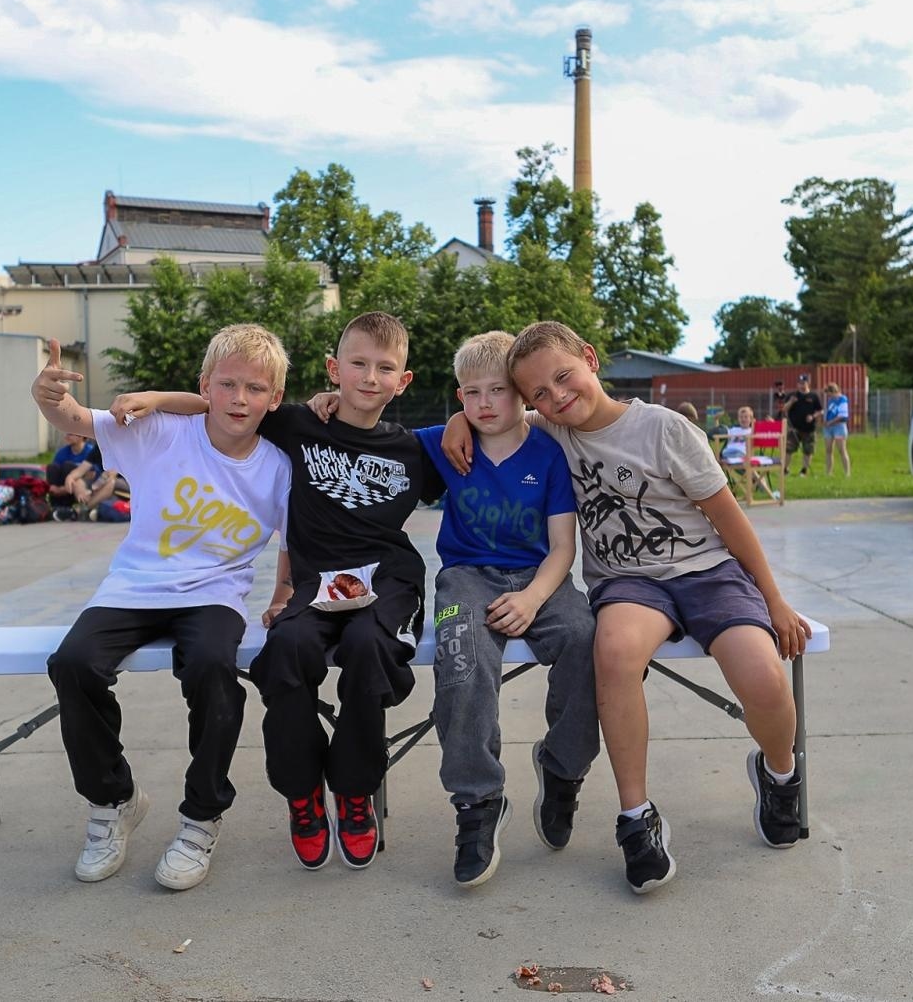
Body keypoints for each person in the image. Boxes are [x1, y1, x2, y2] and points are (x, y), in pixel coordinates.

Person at [443, 321, 811, 895]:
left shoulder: (664, 429)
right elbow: (494, 410)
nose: (557, 397)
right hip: (629, 582)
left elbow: (730, 519)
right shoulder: (551, 431)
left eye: (564, 378)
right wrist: (457, 417)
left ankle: (780, 772)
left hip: (708, 572)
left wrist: (775, 599)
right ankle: (636, 818)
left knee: (762, 672)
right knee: (610, 651)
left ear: (590, 359)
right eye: (540, 393)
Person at [115, 312, 445, 873]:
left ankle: (355, 792)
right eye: (358, 365)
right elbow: (225, 405)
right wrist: (153, 396)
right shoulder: (296, 424)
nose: (369, 378)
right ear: (333, 369)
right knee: (286, 651)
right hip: (318, 582)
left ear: (403, 380)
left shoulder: (417, 450)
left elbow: (496, 430)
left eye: (384, 368)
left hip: (388, 580)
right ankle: (303, 794)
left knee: (369, 649)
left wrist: (464, 424)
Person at [323, 331, 597, 888]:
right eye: (472, 394)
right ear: (458, 397)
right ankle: (478, 802)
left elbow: (564, 548)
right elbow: (371, 431)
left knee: (587, 639)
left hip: (538, 578)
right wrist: (324, 402)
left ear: (521, 393)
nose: (486, 404)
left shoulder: (549, 452)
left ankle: (563, 768)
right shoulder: (442, 440)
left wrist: (532, 597)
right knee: (462, 658)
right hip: (465, 578)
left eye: (499, 390)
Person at [32, 327, 292, 890]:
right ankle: (113, 800)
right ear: (205, 387)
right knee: (72, 664)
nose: (239, 399)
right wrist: (47, 397)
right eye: (227, 385)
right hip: (133, 586)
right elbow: (75, 418)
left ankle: (201, 816)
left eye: (255, 388)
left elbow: (291, 543)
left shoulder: (278, 466)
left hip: (214, 593)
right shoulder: (160, 431)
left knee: (212, 669)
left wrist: (280, 596)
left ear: (274, 399)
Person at [47, 434, 119, 516]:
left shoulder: (119, 448)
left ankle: (83, 509)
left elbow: (110, 474)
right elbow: (81, 470)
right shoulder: (97, 448)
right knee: (77, 481)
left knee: (111, 483)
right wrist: (70, 477)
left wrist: (92, 490)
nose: (67, 436)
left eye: (71, 434)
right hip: (99, 481)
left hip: (123, 482)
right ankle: (76, 505)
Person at [780, 374, 823, 476]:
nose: (801, 385)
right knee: (788, 449)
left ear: (808, 383)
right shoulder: (792, 395)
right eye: (799, 383)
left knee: (808, 450)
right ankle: (785, 469)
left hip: (809, 429)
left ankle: (804, 470)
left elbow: (820, 411)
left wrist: (813, 416)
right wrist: (791, 402)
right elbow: (784, 409)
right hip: (794, 428)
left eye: (803, 383)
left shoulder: (813, 396)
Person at [822, 383, 851, 477]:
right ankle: (829, 472)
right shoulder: (831, 400)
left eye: (829, 393)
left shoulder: (842, 399)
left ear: (834, 391)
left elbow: (843, 416)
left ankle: (847, 472)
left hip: (839, 426)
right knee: (828, 450)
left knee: (842, 450)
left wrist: (830, 422)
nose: (828, 396)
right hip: (828, 427)